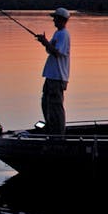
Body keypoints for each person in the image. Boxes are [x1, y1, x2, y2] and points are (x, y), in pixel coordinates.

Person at [35, 7, 71, 136]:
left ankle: (59, 134)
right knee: (46, 104)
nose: (53, 20)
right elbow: (51, 50)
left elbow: (57, 53)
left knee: (56, 107)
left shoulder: (64, 34)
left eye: (55, 18)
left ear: (62, 19)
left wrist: (45, 42)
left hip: (57, 77)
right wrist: (44, 43)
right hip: (51, 76)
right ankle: (51, 130)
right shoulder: (57, 33)